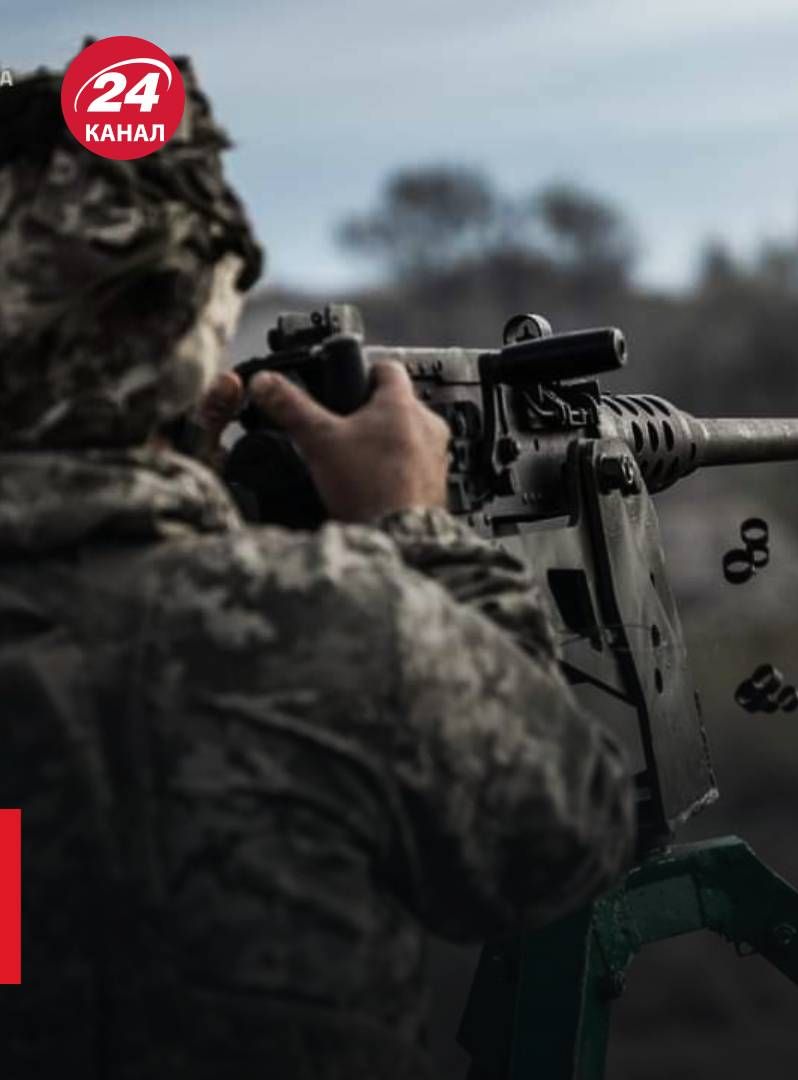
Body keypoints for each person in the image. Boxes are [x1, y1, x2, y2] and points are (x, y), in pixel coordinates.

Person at [0, 61, 634, 1079]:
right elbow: (557, 837)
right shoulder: (324, 630)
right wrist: (414, 530)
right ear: (185, 321)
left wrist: (186, 490)